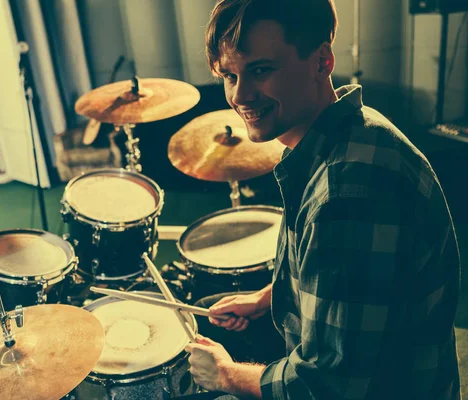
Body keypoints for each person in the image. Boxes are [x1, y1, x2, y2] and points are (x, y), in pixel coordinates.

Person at [183, 0, 462, 399]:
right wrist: (268, 297)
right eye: (230, 75)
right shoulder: (352, 129)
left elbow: (328, 386)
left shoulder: (347, 196)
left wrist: (227, 375)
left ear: (322, 60)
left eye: (261, 70)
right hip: (385, 361)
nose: (240, 95)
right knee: (210, 309)